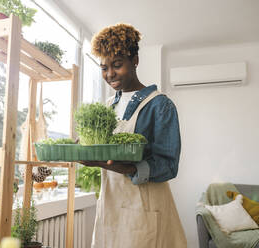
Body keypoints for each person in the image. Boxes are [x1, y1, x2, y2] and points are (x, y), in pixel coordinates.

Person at [79, 23, 187, 248]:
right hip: (110, 205)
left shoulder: (160, 105)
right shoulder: (107, 106)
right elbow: (103, 151)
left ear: (135, 60)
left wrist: (122, 167)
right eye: (104, 68)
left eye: (117, 65)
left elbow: (169, 165)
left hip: (145, 208)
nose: (110, 74)